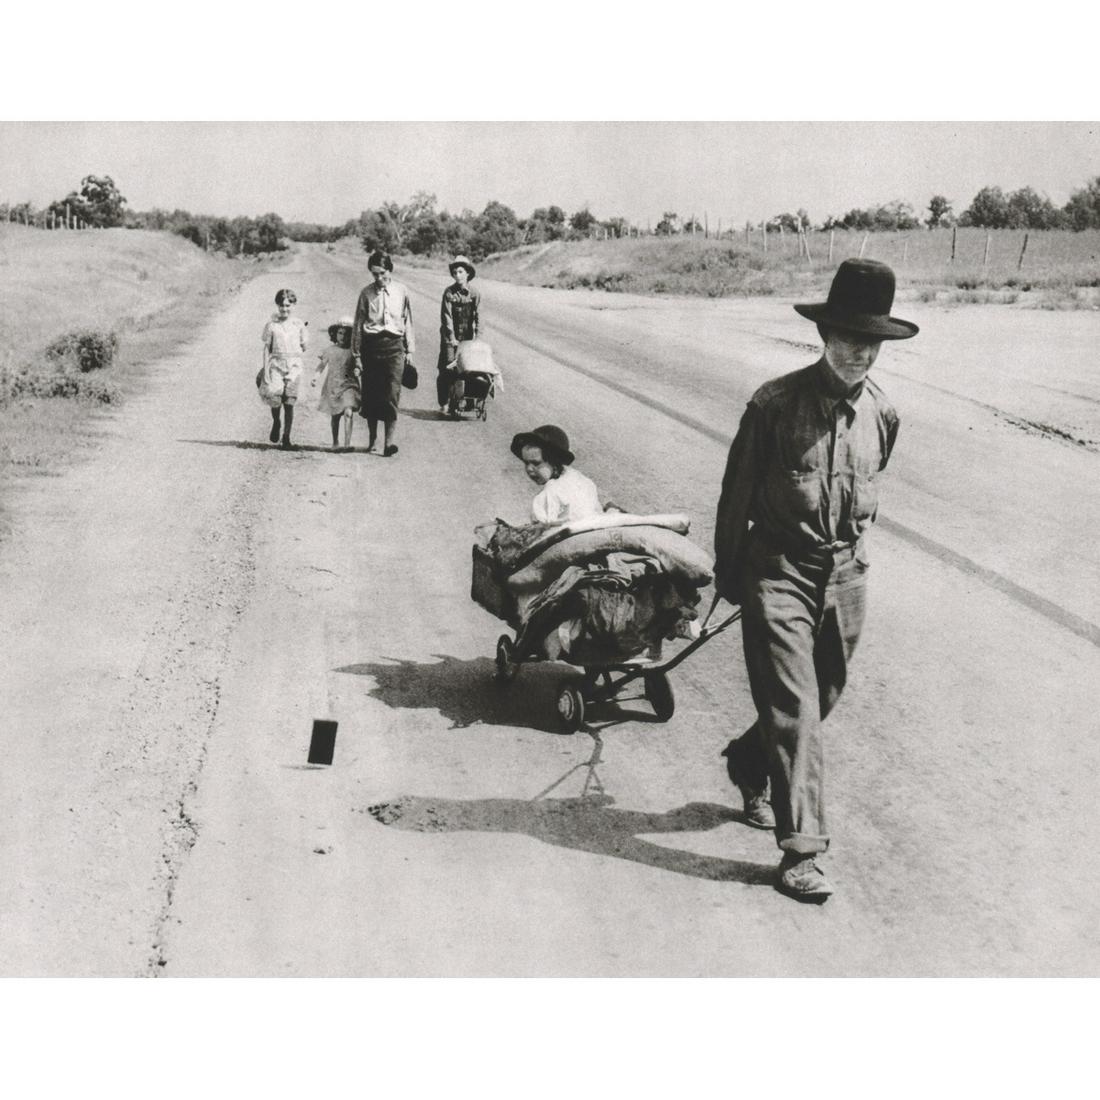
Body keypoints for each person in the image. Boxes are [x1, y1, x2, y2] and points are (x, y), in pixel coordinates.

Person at [713, 258, 918, 903]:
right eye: (850, 337)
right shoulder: (774, 405)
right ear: (825, 334)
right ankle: (800, 853)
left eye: (873, 341)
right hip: (778, 570)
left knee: (824, 691)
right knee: (796, 710)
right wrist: (729, 573)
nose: (861, 352)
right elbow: (736, 495)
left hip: (847, 574)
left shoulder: (883, 413)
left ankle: (749, 761)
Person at [351, 250, 415, 457]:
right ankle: (373, 440)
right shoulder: (366, 293)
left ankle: (389, 444)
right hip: (372, 347)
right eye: (374, 274)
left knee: (392, 395)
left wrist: (410, 350)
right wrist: (357, 355)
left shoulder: (402, 291)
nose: (379, 278)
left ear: (390, 270)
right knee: (371, 395)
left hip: (395, 347)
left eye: (382, 273)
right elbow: (358, 325)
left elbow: (408, 320)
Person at [510, 424, 604, 524]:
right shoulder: (578, 478)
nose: (529, 469)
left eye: (536, 463)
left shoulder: (552, 491)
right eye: (526, 463)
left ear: (554, 461)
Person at [258, 288, 308, 448]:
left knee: (289, 402)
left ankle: (286, 437)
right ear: (277, 305)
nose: (284, 309)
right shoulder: (272, 325)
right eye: (281, 305)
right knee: (275, 398)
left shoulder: (298, 324)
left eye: (288, 305)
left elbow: (304, 345)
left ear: (293, 305)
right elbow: (267, 348)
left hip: (294, 367)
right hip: (276, 365)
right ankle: (276, 421)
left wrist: (299, 346)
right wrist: (266, 368)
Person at [436, 255, 481, 412]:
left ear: (468, 273)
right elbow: (446, 317)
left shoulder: (474, 293)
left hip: (467, 337)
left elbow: (479, 317)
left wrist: (478, 338)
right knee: (448, 367)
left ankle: (468, 400)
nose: (457, 275)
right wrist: (452, 338)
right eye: (455, 273)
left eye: (461, 272)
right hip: (449, 337)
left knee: (469, 367)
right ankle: (444, 402)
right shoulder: (449, 293)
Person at [312, 315, 360, 449]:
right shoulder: (330, 350)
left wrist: (358, 370)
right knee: (336, 415)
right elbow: (321, 366)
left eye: (347, 334)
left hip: (349, 384)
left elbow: (358, 365)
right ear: (335, 334)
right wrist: (315, 377)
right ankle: (335, 442)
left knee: (348, 411)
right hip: (333, 385)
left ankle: (347, 444)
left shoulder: (353, 352)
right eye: (340, 333)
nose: (343, 336)